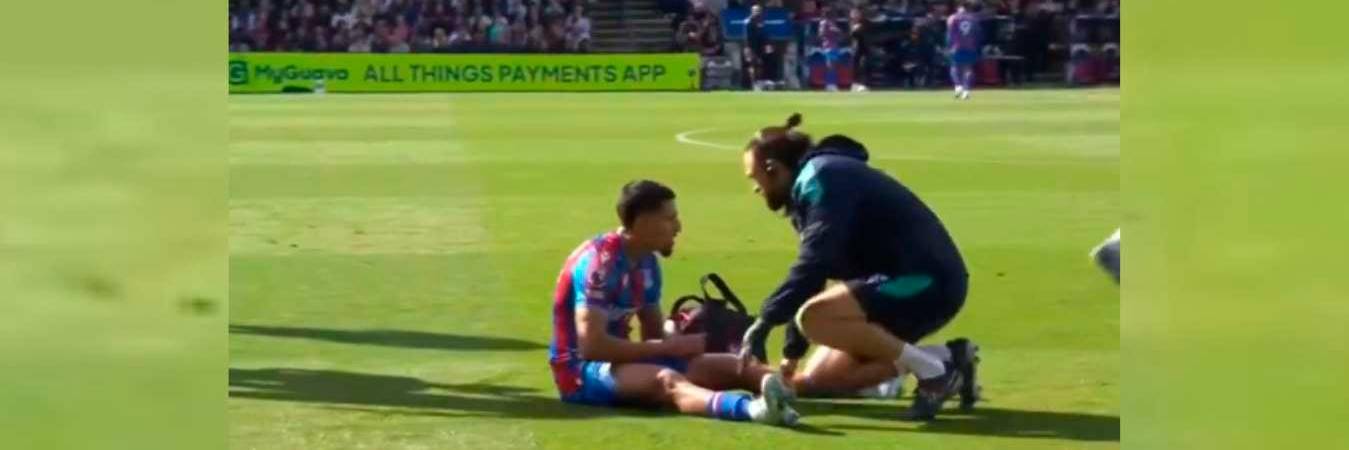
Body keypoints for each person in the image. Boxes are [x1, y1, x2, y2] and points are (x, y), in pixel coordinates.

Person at [735, 115, 979, 420]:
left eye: (753, 177)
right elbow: (814, 275)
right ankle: (949, 358)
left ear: (772, 169)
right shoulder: (813, 183)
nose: (755, 189)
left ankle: (933, 375)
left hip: (925, 282)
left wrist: (765, 321)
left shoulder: (822, 178)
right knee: (816, 382)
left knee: (814, 318)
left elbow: (814, 263)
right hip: (898, 284)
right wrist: (790, 357)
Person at [549, 180, 799, 426]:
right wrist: (668, 347)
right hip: (580, 372)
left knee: (736, 364)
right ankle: (753, 410)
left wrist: (673, 336)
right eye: (669, 218)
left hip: (621, 363)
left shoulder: (647, 263)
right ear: (641, 222)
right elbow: (592, 347)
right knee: (666, 379)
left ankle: (779, 390)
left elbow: (654, 336)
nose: (678, 227)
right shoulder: (600, 265)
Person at [946, 1, 984, 99]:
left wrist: (948, 46)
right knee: (968, 69)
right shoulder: (974, 19)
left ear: (961, 7)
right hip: (970, 47)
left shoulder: (952, 18)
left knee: (954, 66)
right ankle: (966, 91)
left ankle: (958, 85)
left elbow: (950, 34)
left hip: (956, 46)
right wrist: (977, 47)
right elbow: (978, 35)